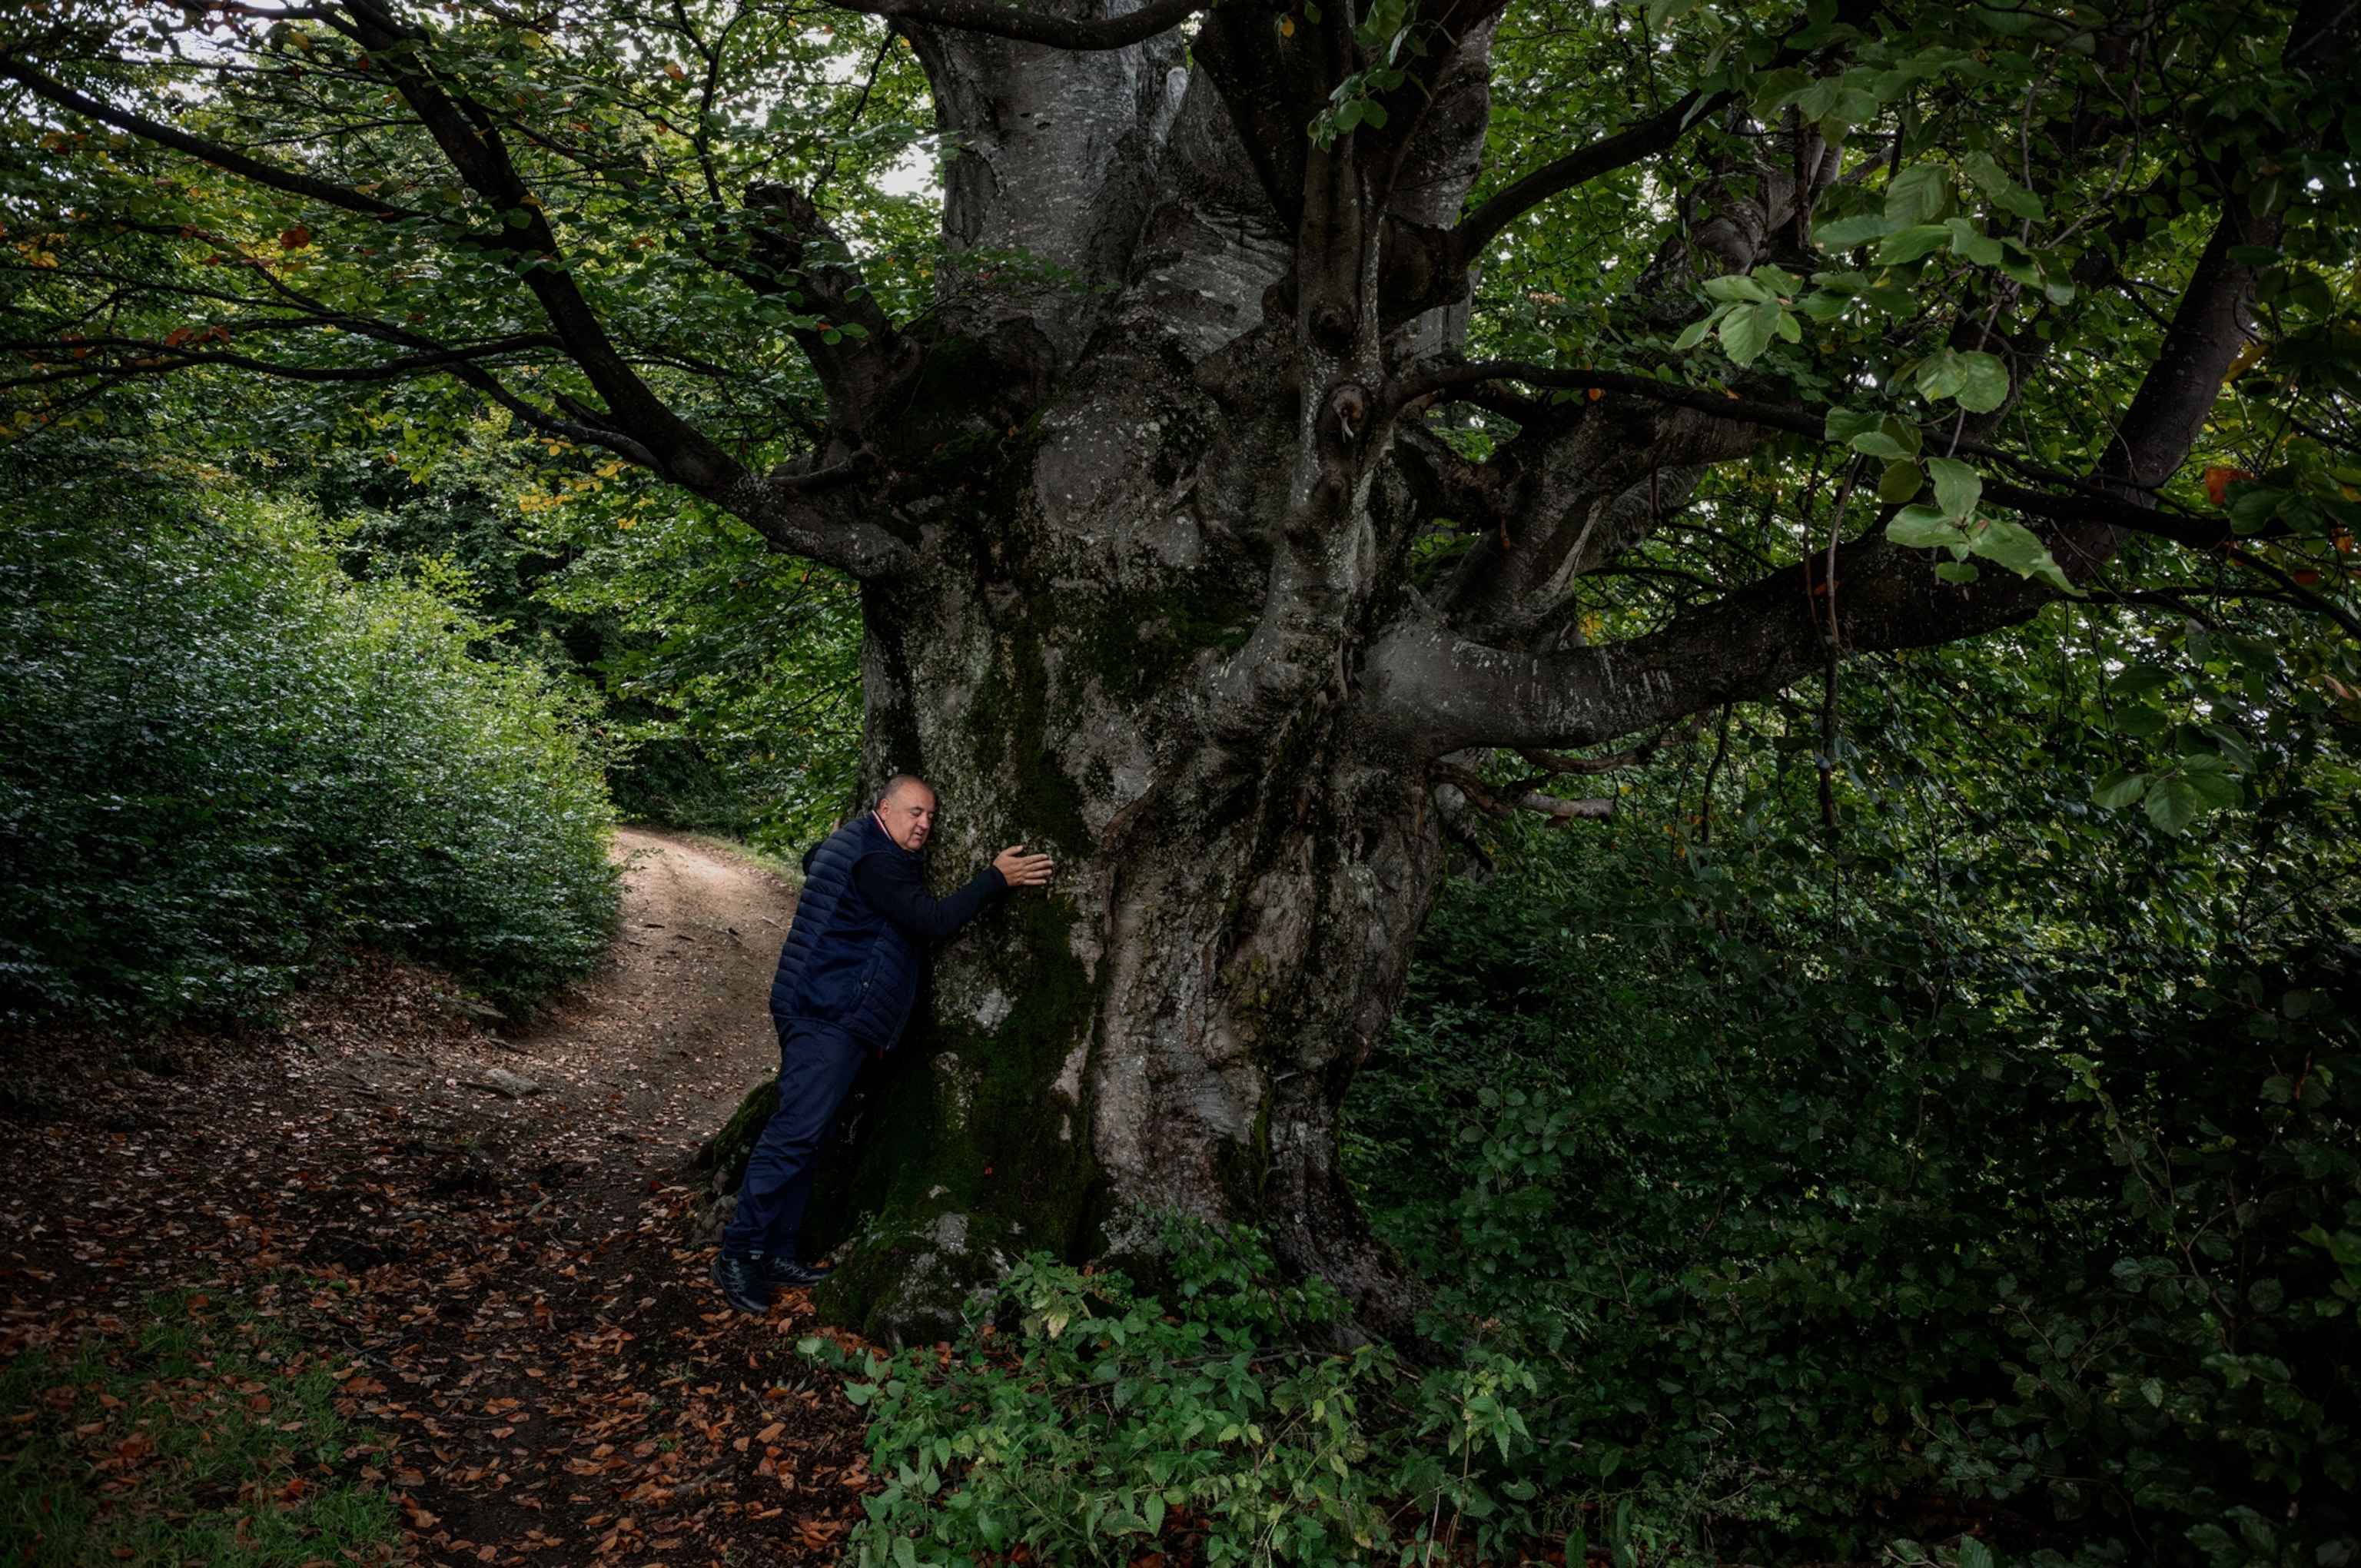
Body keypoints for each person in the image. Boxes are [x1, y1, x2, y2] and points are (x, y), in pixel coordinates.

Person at [712, 774, 1054, 1312]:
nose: (924, 825)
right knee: (794, 1136)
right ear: (885, 808)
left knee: (815, 1138)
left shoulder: (854, 841)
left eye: (931, 817)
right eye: (914, 812)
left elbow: (811, 857)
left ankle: (777, 1251)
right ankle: (738, 1253)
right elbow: (931, 920)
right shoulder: (875, 861)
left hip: (826, 1006)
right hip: (826, 1011)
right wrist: (995, 878)